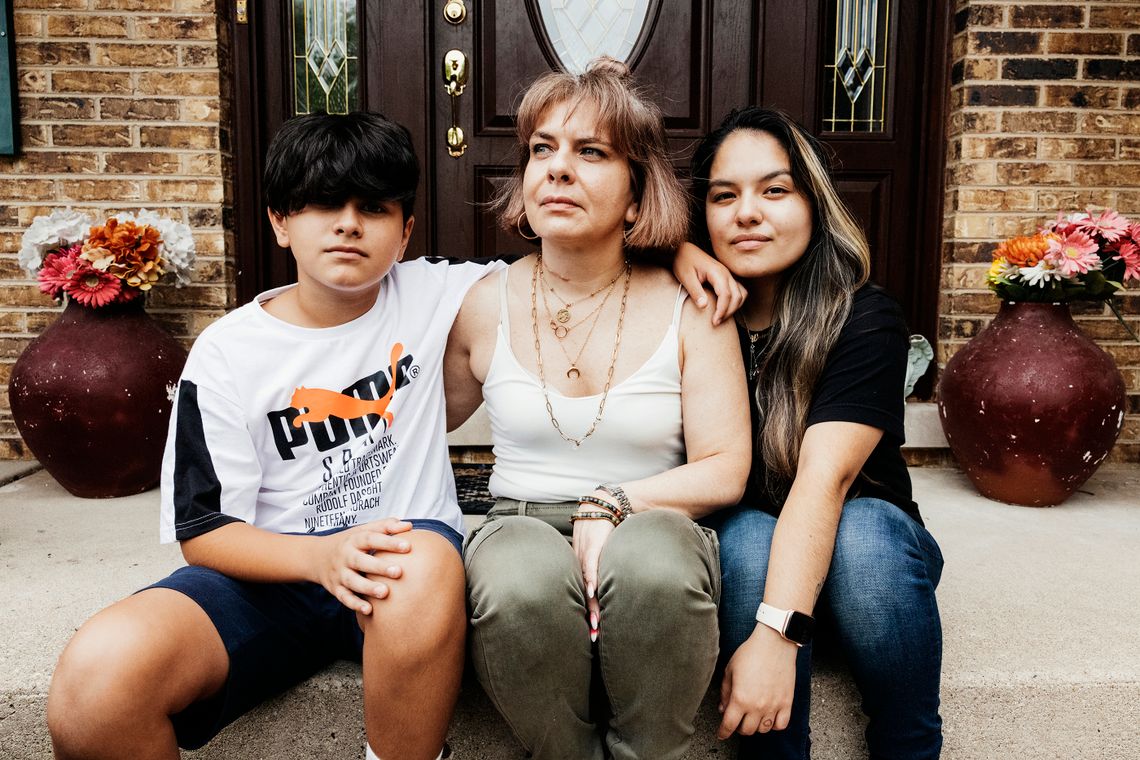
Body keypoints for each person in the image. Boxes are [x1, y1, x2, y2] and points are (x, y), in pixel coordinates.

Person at [46, 112, 500, 760]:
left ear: (404, 233)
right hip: (267, 583)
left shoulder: (435, 291)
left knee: (419, 560)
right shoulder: (229, 352)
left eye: (372, 206)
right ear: (280, 221)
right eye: (322, 202)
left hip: (398, 577)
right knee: (95, 683)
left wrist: (678, 250)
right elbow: (203, 531)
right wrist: (320, 557)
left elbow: (570, 270)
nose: (348, 222)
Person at [444, 58, 752, 760]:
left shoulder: (692, 308)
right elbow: (410, 425)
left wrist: (616, 500)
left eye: (591, 152)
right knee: (517, 579)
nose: (557, 168)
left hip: (651, 521)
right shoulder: (482, 302)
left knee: (654, 565)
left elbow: (726, 467)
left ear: (638, 196)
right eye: (542, 150)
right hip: (519, 524)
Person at [684, 106, 945, 758]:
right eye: (724, 196)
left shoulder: (862, 317)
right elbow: (603, 231)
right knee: (744, 534)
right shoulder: (686, 316)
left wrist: (774, 638)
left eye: (775, 190)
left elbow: (824, 481)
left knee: (866, 536)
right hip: (749, 570)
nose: (747, 213)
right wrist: (674, 250)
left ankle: (907, 747)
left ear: (814, 203)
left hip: (865, 576)